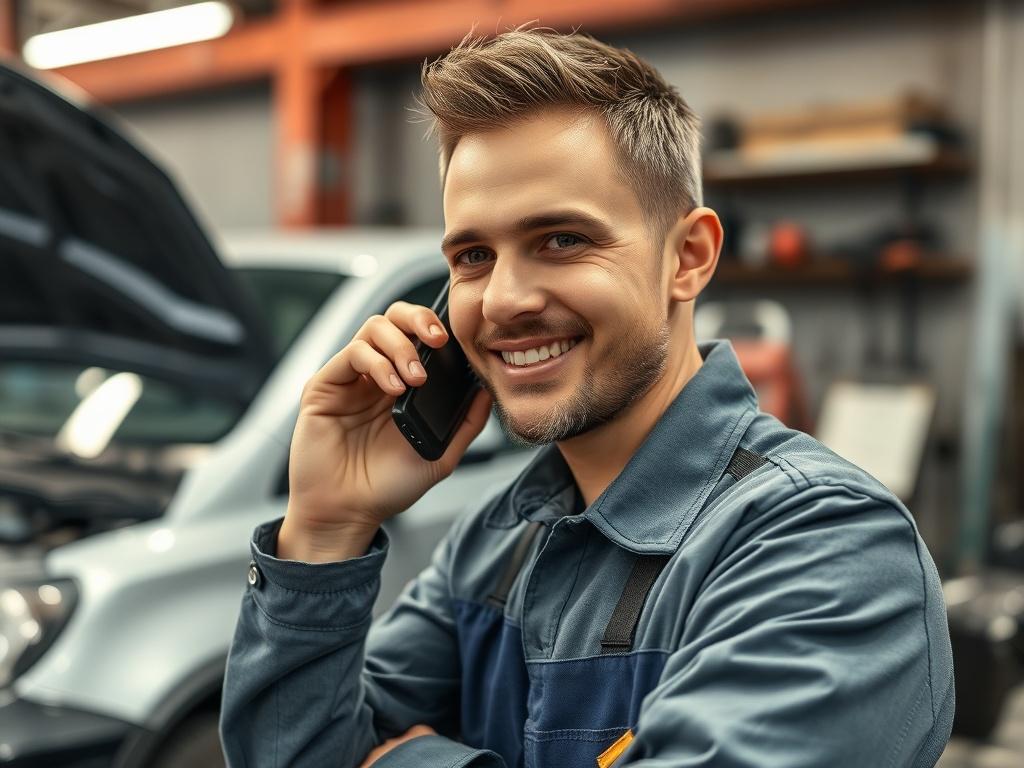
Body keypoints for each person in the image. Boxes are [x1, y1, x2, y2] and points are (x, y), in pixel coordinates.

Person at [219, 27, 954, 768]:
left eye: (562, 239)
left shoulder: (825, 548)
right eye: (473, 256)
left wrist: (402, 763)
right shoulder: (495, 544)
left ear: (687, 258)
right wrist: (324, 529)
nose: (503, 301)